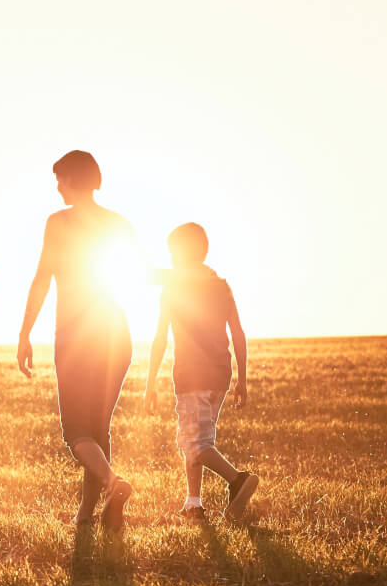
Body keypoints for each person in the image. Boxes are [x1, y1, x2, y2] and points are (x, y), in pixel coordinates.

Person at [17, 150, 138, 531]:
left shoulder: (59, 223)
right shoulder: (118, 222)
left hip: (77, 337)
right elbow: (143, 273)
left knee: (76, 433)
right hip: (117, 333)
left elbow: (41, 279)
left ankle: (112, 483)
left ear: (72, 178)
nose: (56, 186)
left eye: (60, 179)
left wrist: (24, 333)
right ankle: (88, 516)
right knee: (99, 429)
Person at [143, 222, 257, 522]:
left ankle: (238, 480)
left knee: (195, 443)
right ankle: (194, 503)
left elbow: (160, 338)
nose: (170, 258)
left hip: (191, 377)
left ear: (179, 253)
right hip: (221, 375)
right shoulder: (221, 286)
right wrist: (242, 380)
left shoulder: (174, 287)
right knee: (197, 438)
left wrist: (150, 381)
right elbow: (238, 334)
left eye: (171, 252)